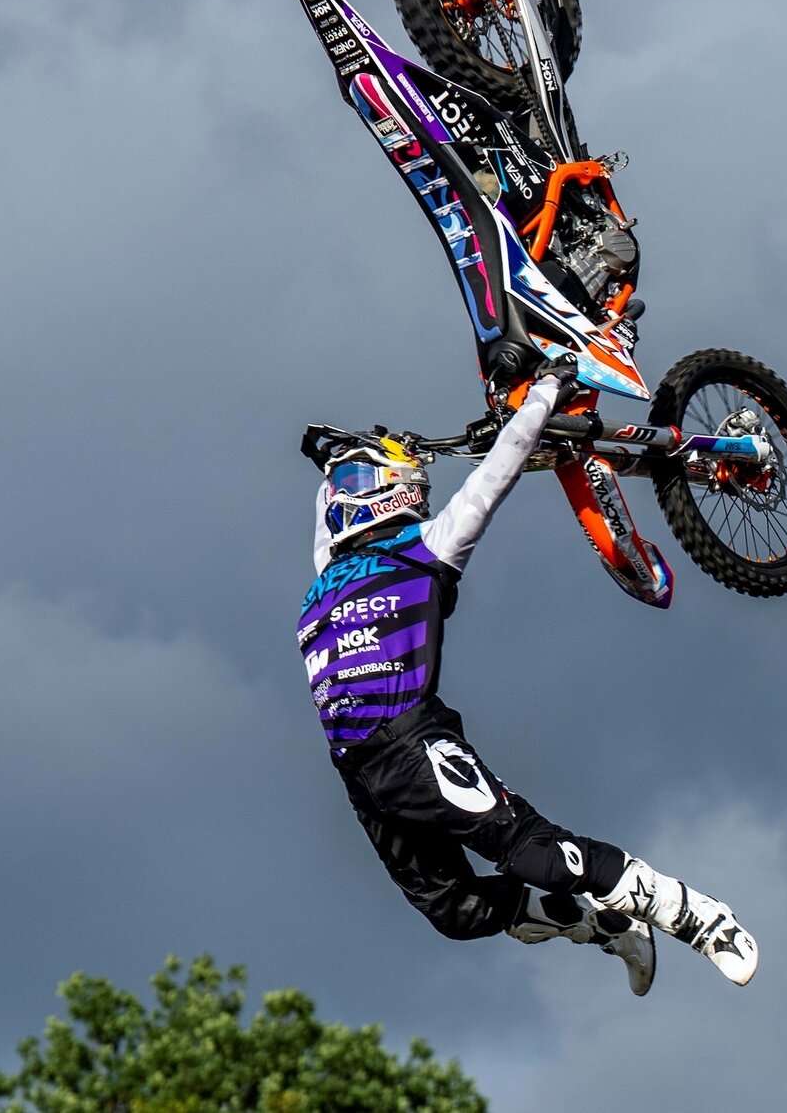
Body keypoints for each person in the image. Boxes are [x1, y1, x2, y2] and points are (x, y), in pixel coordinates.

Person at [298, 361, 757, 995]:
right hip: (357, 768)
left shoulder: (428, 548)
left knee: (532, 852)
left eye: (352, 480)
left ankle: (695, 914)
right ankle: (603, 926)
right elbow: (327, 521)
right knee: (455, 912)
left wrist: (542, 396)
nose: (338, 493)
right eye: (338, 485)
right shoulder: (325, 575)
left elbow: (497, 472)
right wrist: (336, 462)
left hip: (412, 743)